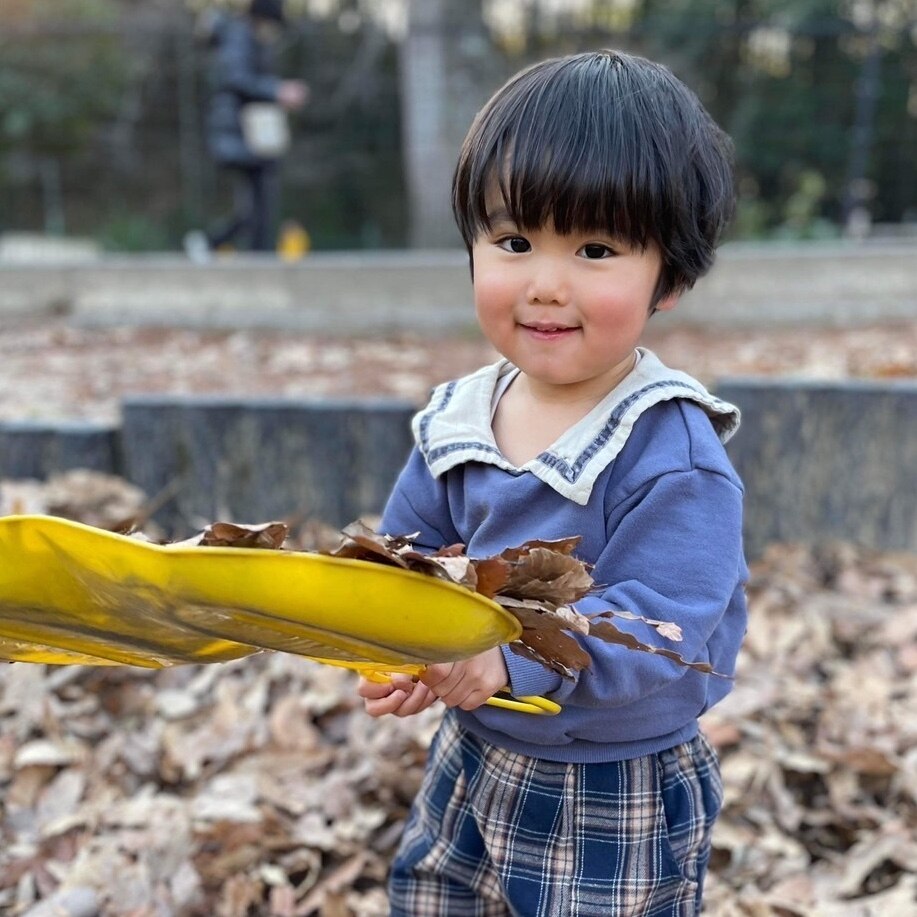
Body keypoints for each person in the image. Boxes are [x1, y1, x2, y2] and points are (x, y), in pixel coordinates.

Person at [358, 49, 748, 915]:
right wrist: (407, 643)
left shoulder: (667, 451)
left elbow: (663, 621)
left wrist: (505, 653)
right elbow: (411, 549)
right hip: (472, 748)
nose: (544, 283)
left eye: (596, 247)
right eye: (513, 240)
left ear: (671, 276)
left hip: (611, 781)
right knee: (432, 895)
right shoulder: (459, 421)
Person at [188, 0, 307, 257]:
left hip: (245, 131)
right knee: (259, 199)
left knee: (259, 200)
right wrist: (277, 90)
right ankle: (222, 245)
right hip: (236, 131)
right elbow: (236, 78)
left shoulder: (246, 38)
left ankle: (237, 248)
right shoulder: (240, 36)